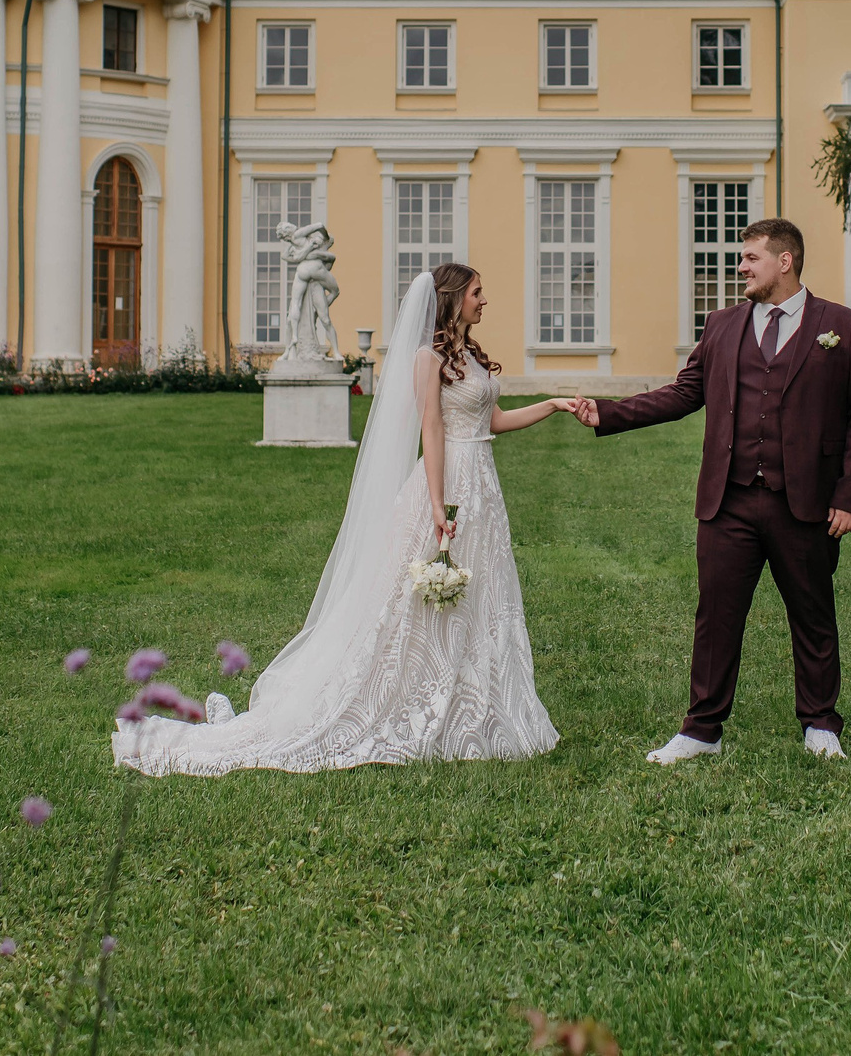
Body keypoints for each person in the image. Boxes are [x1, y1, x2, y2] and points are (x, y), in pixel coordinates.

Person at [113, 261, 569, 775]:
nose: (485, 301)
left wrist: (551, 405)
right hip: (449, 483)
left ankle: (476, 701)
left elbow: (493, 422)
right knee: (413, 601)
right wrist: (439, 505)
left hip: (483, 484)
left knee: (480, 593)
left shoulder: (469, 357)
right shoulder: (427, 358)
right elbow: (433, 431)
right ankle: (411, 695)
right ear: (452, 300)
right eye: (478, 294)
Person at [570, 218, 851, 763]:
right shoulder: (722, 325)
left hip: (804, 500)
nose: (740, 267)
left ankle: (820, 722)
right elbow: (684, 392)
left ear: (785, 261)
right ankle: (701, 730)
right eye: (742, 258)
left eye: (751, 258)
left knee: (812, 613)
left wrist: (849, 497)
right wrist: (609, 414)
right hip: (728, 499)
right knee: (716, 615)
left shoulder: (843, 325)